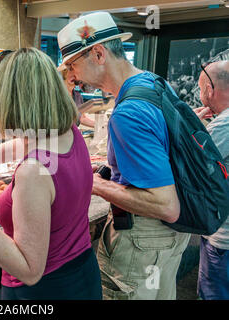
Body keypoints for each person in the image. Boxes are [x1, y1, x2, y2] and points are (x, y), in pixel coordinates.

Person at [0, 47, 102, 300]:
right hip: (82, 275)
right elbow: (23, 143)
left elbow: (29, 271)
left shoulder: (32, 173)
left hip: (43, 291)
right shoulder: (69, 132)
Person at [58, 11, 191, 300]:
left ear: (98, 53)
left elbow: (165, 205)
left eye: (72, 64)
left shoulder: (128, 112)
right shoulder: (154, 83)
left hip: (144, 237)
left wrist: (92, 183)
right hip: (170, 238)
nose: (71, 76)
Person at [194, 60, 229, 300]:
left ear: (209, 90)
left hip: (223, 241)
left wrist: (190, 124)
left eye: (200, 89)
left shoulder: (223, 125)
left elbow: (187, 162)